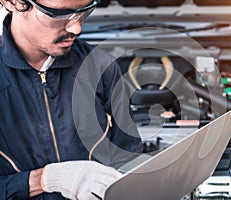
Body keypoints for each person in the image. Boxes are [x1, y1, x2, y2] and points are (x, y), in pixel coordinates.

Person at [0, 0, 143, 199]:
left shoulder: (101, 66)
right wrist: (44, 180)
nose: (76, 28)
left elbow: (129, 158)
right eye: (58, 14)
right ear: (12, 2)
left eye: (83, 12)